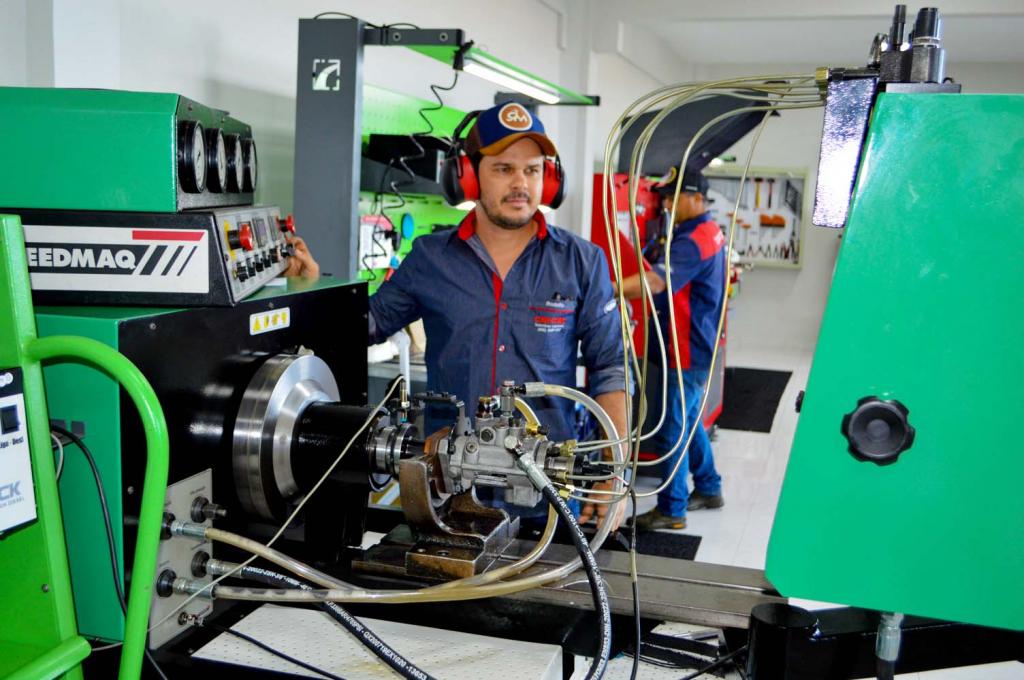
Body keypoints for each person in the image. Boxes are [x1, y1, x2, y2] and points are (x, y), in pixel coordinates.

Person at [368, 102, 628, 526]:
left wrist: (614, 473)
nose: (521, 183)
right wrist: (309, 288)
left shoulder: (581, 262)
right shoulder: (431, 258)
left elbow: (610, 368)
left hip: (547, 488)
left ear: (549, 180)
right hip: (447, 486)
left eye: (532, 170)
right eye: (504, 169)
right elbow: (369, 324)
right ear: (467, 176)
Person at [616, 166, 725, 531]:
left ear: (696, 198)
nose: (665, 205)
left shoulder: (692, 241)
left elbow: (656, 282)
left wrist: (608, 289)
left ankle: (672, 510)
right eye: (663, 198)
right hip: (697, 345)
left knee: (672, 431)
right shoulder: (704, 231)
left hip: (686, 351)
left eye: (672, 198)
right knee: (690, 423)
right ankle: (709, 487)